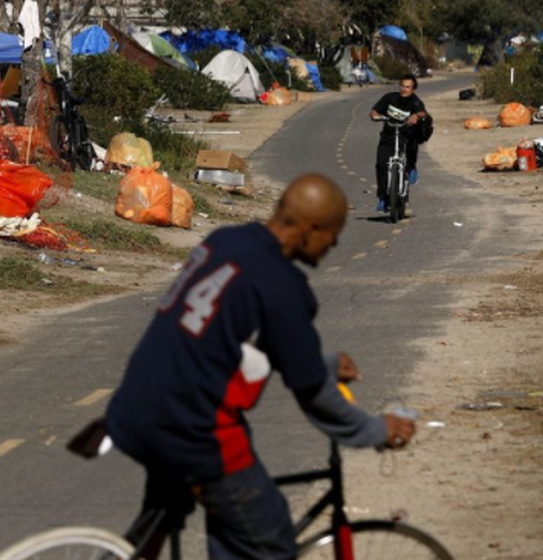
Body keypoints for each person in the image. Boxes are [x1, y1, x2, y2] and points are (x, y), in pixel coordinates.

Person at [105, 174, 416, 560]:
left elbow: (230, 344)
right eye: (332, 234)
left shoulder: (226, 241)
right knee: (267, 534)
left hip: (136, 408)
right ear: (310, 228)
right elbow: (313, 394)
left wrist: (324, 364)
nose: (334, 244)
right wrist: (372, 428)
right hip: (193, 430)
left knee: (219, 532)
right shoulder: (283, 285)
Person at [370, 74, 428, 213]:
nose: (404, 89)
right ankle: (383, 198)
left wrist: (416, 116)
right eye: (402, 86)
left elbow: (423, 113)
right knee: (381, 164)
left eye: (408, 87)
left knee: (411, 147)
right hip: (388, 135)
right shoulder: (390, 98)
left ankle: (411, 167)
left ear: (413, 89)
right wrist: (376, 116)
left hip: (406, 135)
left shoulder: (415, 102)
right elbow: (374, 111)